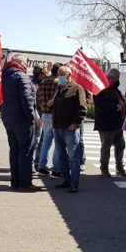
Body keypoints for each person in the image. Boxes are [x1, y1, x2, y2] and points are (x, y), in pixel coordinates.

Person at [0, 54, 41, 191]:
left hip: (8, 119)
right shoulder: (22, 76)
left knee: (14, 150)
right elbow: (27, 99)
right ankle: (24, 182)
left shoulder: (3, 76)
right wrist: (31, 118)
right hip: (22, 120)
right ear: (22, 63)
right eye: (25, 64)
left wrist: (4, 112)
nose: (26, 66)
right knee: (26, 152)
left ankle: (15, 181)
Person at [51, 65, 87, 193]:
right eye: (59, 74)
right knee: (62, 156)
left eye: (62, 74)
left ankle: (74, 183)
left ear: (69, 75)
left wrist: (75, 123)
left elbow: (82, 108)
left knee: (73, 157)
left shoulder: (77, 88)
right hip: (57, 127)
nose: (60, 77)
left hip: (70, 128)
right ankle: (66, 180)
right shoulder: (59, 88)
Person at [94, 68, 126, 177]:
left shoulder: (115, 90)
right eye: (115, 78)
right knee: (106, 148)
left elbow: (118, 100)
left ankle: (119, 167)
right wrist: (116, 107)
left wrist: (124, 103)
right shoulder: (100, 88)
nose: (116, 80)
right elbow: (99, 105)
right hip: (106, 124)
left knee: (120, 146)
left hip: (118, 123)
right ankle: (104, 168)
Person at [35, 63, 62, 177]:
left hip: (45, 114)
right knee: (58, 143)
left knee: (46, 142)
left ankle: (41, 167)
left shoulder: (43, 82)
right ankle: (56, 169)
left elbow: (37, 100)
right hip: (55, 115)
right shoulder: (59, 83)